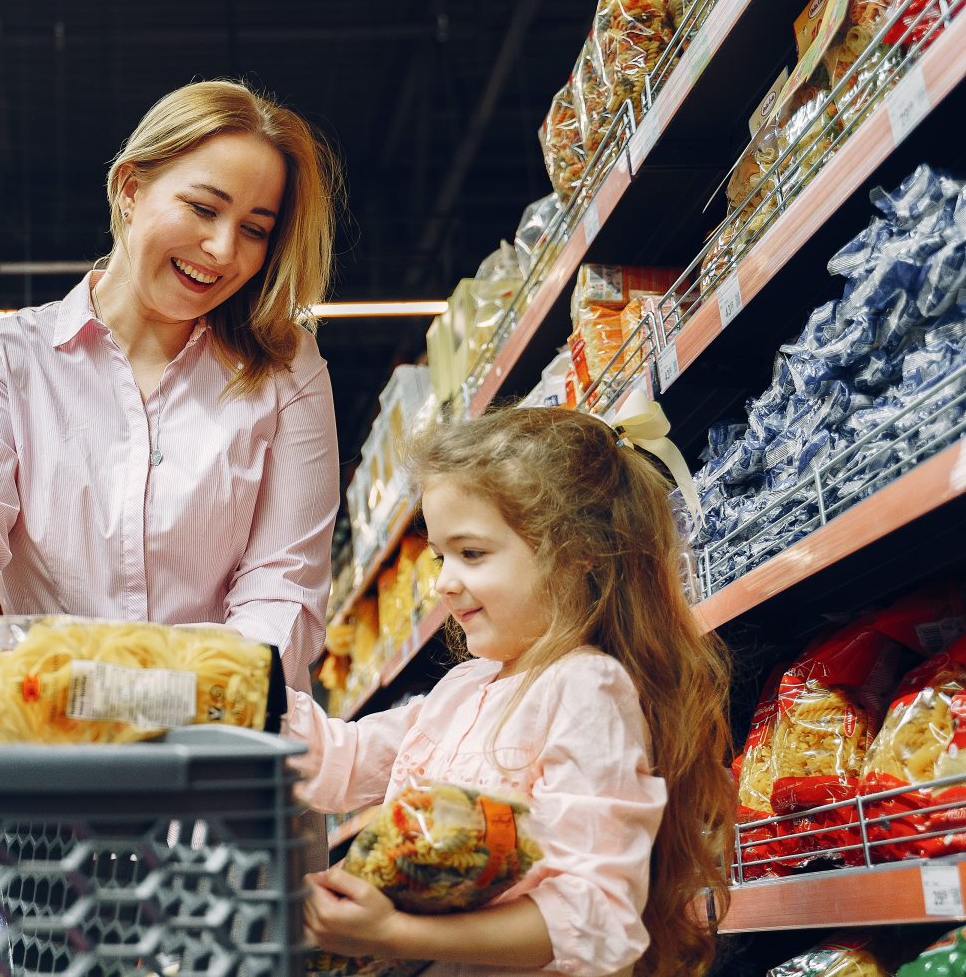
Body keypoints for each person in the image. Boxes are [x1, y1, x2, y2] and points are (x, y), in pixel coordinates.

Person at [0, 79, 342, 693]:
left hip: (209, 738)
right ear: (130, 188)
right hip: (37, 726)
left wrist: (190, 693)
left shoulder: (284, 370)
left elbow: (285, 582)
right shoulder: (5, 359)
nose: (221, 250)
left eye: (255, 229)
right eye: (203, 208)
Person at [290, 405, 734, 976]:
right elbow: (342, 761)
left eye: (471, 553)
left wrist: (395, 933)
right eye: (440, 557)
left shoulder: (586, 689)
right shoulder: (463, 689)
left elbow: (593, 916)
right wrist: (229, 689)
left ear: (575, 554)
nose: (445, 583)